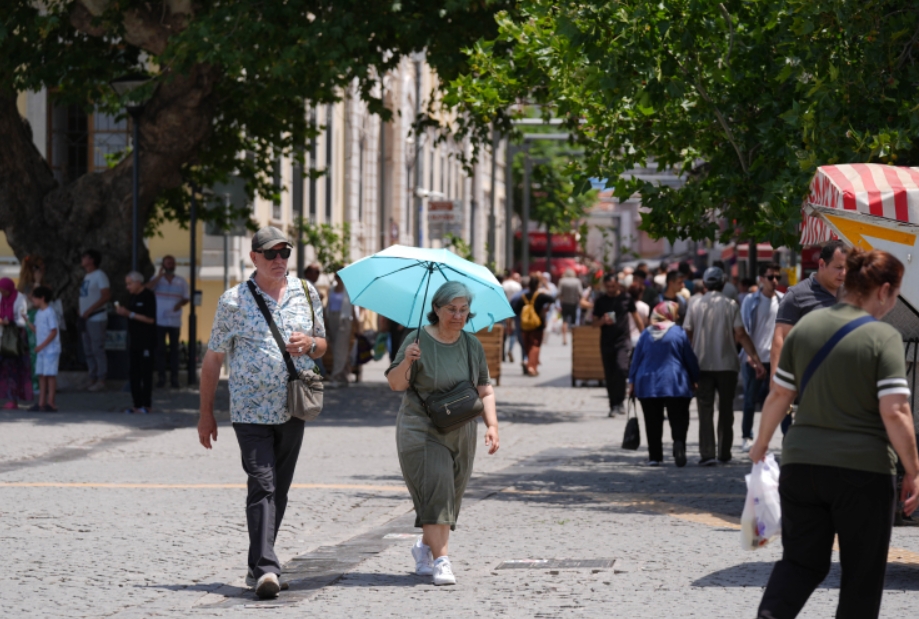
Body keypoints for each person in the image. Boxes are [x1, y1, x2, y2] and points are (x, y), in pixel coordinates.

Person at [750, 248, 919, 619]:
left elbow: (780, 393)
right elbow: (895, 410)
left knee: (800, 562)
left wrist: (760, 446)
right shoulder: (882, 337)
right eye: (896, 294)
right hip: (863, 470)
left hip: (801, 465)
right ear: (884, 290)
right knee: (862, 574)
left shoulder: (807, 326)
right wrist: (913, 469)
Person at [198, 226, 327, 600]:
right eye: (270, 253)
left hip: (293, 405)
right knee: (263, 484)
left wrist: (311, 344)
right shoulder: (233, 301)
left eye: (284, 253)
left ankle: (259, 564)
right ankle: (268, 568)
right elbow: (213, 360)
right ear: (254, 257)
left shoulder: (306, 292)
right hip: (249, 410)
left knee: (280, 490)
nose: (278, 260)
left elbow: (322, 344)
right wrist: (206, 414)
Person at [385, 281, 500, 586]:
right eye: (451, 309)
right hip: (421, 428)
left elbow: (484, 389)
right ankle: (442, 561)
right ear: (437, 309)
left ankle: (424, 548)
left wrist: (492, 425)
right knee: (437, 489)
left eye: (463, 310)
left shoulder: (471, 344)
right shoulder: (417, 339)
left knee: (450, 494)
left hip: (462, 430)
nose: (458, 315)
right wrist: (408, 360)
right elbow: (396, 384)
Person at [683, 266, 764, 465]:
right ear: (723, 283)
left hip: (701, 364)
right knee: (726, 410)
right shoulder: (731, 304)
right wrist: (755, 358)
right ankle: (724, 452)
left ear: (704, 283)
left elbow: (687, 333)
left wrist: (689, 355)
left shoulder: (695, 304)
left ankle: (707, 453)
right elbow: (740, 334)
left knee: (705, 410)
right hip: (727, 363)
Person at [771, 240, 847, 434]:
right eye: (838, 268)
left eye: (847, 268)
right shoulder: (797, 296)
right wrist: (776, 386)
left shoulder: (853, 293)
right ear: (821, 264)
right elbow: (780, 340)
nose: (843, 273)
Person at [629, 301, 700, 467]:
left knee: (652, 420)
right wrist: (695, 378)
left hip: (648, 383)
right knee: (679, 417)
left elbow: (636, 359)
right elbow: (689, 358)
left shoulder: (646, 334)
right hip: (675, 382)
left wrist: (631, 382)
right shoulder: (678, 333)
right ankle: (679, 442)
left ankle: (655, 456)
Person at [739, 262, 784, 452]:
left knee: (780, 399)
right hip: (754, 358)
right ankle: (747, 436)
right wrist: (751, 357)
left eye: (777, 277)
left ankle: (783, 437)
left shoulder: (783, 300)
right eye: (770, 277)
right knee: (750, 400)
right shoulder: (751, 300)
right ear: (761, 279)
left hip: (775, 359)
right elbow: (743, 329)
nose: (774, 281)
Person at [593, 272, 644, 416]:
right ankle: (613, 405)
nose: (610, 289)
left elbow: (636, 317)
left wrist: (645, 336)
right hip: (606, 342)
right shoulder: (601, 301)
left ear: (618, 284)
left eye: (613, 286)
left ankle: (620, 400)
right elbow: (593, 323)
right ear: (604, 285)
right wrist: (603, 321)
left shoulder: (626, 298)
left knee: (621, 369)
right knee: (610, 374)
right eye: (607, 286)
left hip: (623, 341)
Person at [146, 255, 190, 389]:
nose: (170, 265)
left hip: (174, 320)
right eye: (167, 263)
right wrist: (159, 276)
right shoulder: (156, 280)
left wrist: (179, 305)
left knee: (174, 350)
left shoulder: (181, 281)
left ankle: (174, 379)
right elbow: (147, 289)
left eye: (172, 263)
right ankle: (161, 378)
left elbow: (186, 297)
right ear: (163, 265)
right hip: (159, 320)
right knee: (160, 349)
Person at [116, 272, 157, 414]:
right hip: (134, 340)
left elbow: (151, 319)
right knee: (133, 373)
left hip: (146, 340)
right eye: (126, 284)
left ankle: (147, 405)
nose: (128, 287)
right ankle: (136, 405)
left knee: (145, 373)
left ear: (138, 282)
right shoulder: (132, 297)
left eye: (130, 283)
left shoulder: (148, 296)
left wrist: (130, 314)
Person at [79, 249, 110, 392]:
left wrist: (91, 309)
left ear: (92, 260)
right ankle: (92, 377)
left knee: (97, 348)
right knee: (88, 349)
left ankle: (101, 379)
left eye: (85, 257)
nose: (82, 259)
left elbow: (105, 295)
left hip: (96, 317)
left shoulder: (100, 275)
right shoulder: (87, 276)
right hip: (85, 317)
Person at [0, 278, 32, 409]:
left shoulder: (20, 299)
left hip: (15, 339)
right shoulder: (1, 297)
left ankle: (13, 400)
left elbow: (24, 319)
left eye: (4, 291)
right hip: (2, 336)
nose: (3, 293)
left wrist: (10, 322)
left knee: (13, 369)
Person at [513, 274, 554, 376]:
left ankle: (529, 363)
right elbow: (553, 299)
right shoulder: (540, 296)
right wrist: (545, 308)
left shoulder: (523, 297)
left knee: (527, 346)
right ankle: (532, 367)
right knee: (535, 346)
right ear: (538, 285)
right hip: (537, 325)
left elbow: (515, 311)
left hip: (525, 326)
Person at [27, 286, 60, 412]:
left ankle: (51, 402)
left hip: (50, 349)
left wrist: (41, 345)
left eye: (35, 297)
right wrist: (27, 322)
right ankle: (41, 402)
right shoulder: (39, 313)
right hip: (42, 350)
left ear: (42, 298)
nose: (32, 299)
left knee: (50, 375)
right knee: (41, 374)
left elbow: (53, 331)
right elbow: (37, 330)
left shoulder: (49, 312)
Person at [326, 272, 358, 387]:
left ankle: (335, 376)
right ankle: (345, 375)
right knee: (336, 349)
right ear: (335, 277)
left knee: (340, 349)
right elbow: (328, 306)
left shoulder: (349, 291)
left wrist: (357, 325)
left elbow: (354, 309)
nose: (340, 279)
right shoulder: (331, 289)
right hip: (332, 319)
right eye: (338, 277)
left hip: (344, 320)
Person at [558, 269, 583, 344]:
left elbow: (559, 293)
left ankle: (564, 339)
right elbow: (580, 292)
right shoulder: (577, 281)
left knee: (564, 321)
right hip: (574, 303)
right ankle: (573, 339)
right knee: (573, 322)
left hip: (565, 303)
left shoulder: (562, 281)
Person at [627, 283, 649, 347]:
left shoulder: (624, 306)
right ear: (640, 294)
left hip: (627, 338)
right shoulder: (645, 306)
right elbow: (645, 322)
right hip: (639, 337)